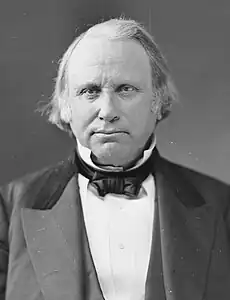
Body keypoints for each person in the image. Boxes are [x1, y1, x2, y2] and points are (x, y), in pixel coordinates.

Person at [0, 17, 230, 300]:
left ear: (157, 101)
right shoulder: (10, 208)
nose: (107, 110)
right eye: (89, 91)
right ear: (66, 106)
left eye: (125, 89)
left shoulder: (221, 206)